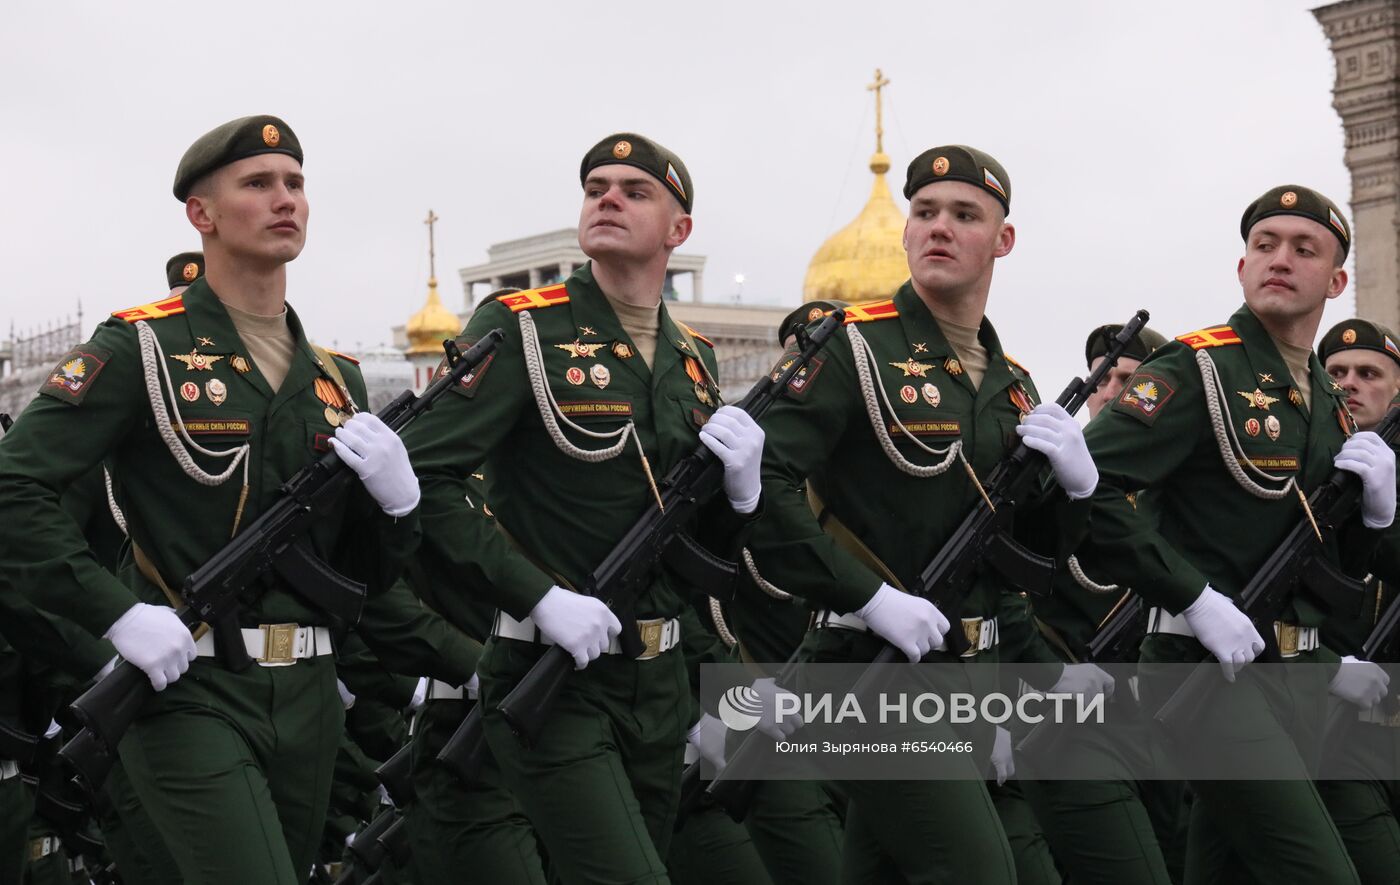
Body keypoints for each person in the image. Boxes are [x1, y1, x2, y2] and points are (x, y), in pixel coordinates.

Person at [0, 114, 422, 884]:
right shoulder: (141, 347)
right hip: (188, 686)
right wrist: (114, 613)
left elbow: (362, 573)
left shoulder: (337, 379)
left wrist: (398, 508)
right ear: (202, 214)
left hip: (308, 695)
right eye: (258, 184)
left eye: (295, 183)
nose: (284, 198)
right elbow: (14, 488)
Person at [402, 132, 766, 884]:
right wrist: (540, 597)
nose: (608, 197)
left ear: (679, 231)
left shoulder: (692, 356)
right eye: (597, 185)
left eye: (635, 191)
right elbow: (425, 484)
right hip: (554, 670)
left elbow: (695, 547)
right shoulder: (525, 326)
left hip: (661, 681)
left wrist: (740, 497)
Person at [747, 144, 1098, 884]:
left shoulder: (1014, 385)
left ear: (1002, 240)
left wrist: (1074, 487)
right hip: (865, 675)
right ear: (905, 233)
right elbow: (765, 487)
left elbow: (1025, 557)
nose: (939, 227)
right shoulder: (851, 347)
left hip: (968, 677)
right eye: (925, 212)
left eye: (964, 215)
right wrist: (868, 597)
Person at [1080, 184, 1394, 884]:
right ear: (1242, 266)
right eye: (1264, 245)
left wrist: (1378, 513)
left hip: (1292, 679)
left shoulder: (1324, 402)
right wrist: (1192, 595)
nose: (1279, 259)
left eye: (1303, 248)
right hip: (1202, 672)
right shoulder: (1200, 369)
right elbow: (1086, 491)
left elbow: (1338, 566)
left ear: (1337, 280)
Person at [1316, 318, 1400, 883]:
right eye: (1337, 373)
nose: (1350, 383)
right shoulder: (1292, 473)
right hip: (1326, 728)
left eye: (1369, 373)